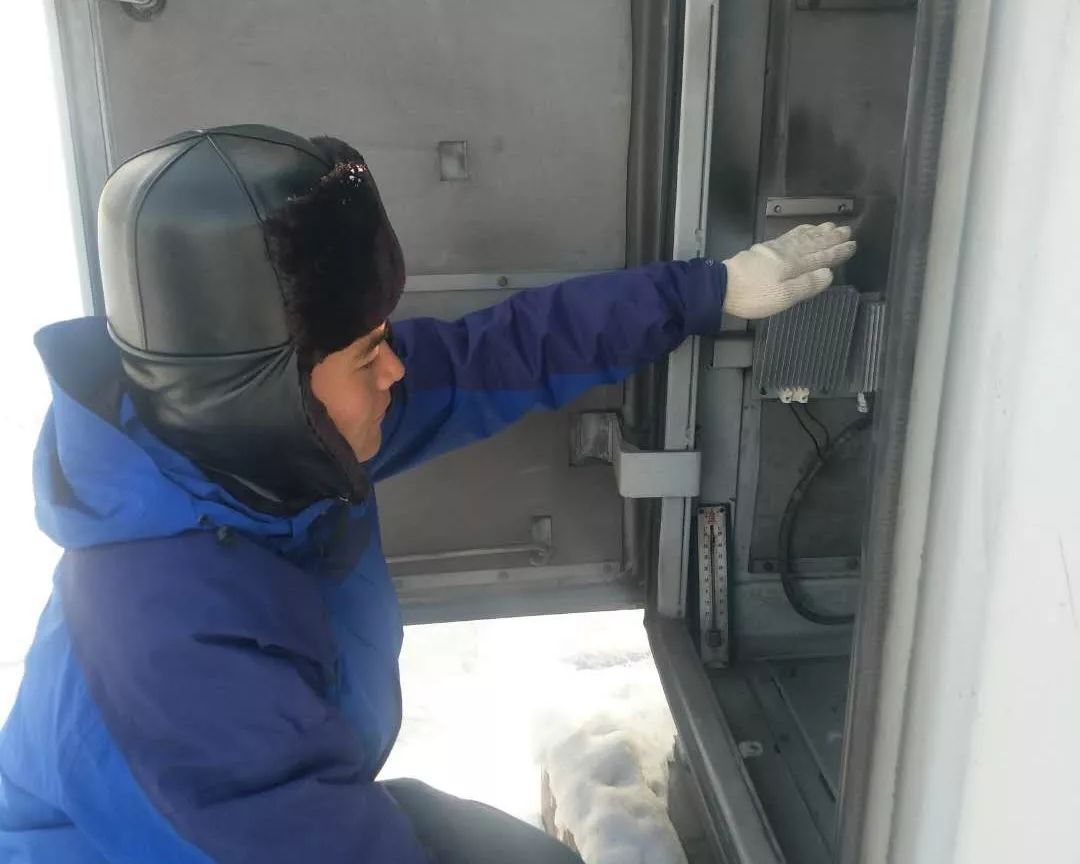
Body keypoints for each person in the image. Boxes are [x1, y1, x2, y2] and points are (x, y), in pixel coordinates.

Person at [0, 125, 855, 863]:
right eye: (367, 353)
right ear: (264, 392)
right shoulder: (172, 655)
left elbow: (503, 352)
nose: (395, 369)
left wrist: (708, 290)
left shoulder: (258, 448)